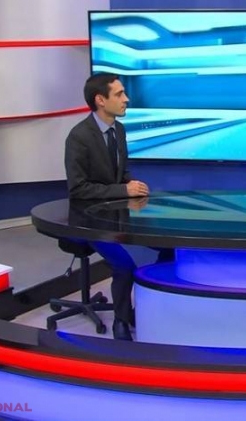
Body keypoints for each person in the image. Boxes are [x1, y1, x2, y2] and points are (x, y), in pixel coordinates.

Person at [65, 73, 166, 341]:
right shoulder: (79, 137)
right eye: (120, 94)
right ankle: (121, 321)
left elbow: (120, 173)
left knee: (166, 246)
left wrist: (132, 185)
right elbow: (78, 189)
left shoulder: (118, 130)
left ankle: (155, 309)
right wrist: (123, 190)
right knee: (124, 264)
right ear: (100, 100)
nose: (126, 99)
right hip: (88, 222)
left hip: (117, 215)